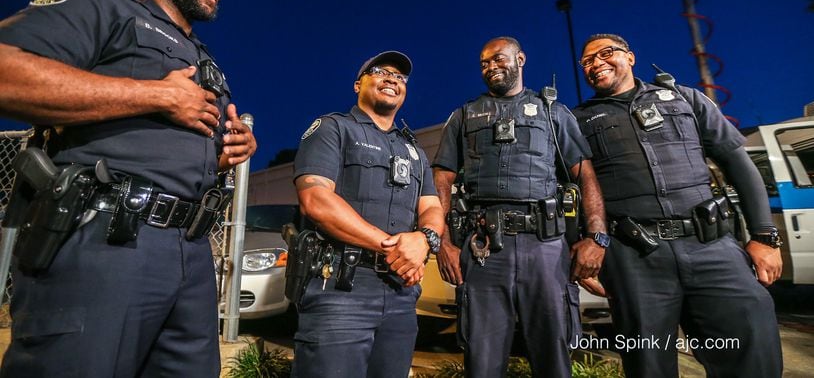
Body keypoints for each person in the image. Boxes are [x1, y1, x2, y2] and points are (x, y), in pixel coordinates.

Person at [0, 0, 256, 377]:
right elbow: (7, 70)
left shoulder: (206, 61)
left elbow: (156, 146)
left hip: (191, 253)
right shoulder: (105, 9)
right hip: (107, 242)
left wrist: (226, 151)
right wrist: (157, 94)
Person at [571, 33, 783, 378]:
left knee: (753, 346)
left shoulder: (685, 98)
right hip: (635, 259)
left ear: (631, 57)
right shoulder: (577, 120)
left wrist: (765, 236)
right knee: (647, 362)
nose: (596, 64)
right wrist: (584, 250)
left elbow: (738, 163)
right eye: (587, 61)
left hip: (711, 246)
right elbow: (574, 190)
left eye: (606, 54)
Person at [432, 36, 608, 377]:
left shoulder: (553, 112)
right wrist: (443, 243)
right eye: (484, 63)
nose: (491, 67)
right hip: (483, 249)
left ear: (521, 60)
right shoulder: (464, 115)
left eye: (498, 59)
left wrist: (596, 236)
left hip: (545, 248)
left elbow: (584, 175)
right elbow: (441, 180)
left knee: (553, 356)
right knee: (481, 361)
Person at [291, 51, 445, 377]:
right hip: (340, 290)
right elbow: (316, 199)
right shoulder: (333, 129)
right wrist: (394, 247)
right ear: (358, 84)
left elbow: (431, 206)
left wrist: (425, 238)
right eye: (380, 71)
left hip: (401, 295)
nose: (392, 79)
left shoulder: (414, 151)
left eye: (400, 77)